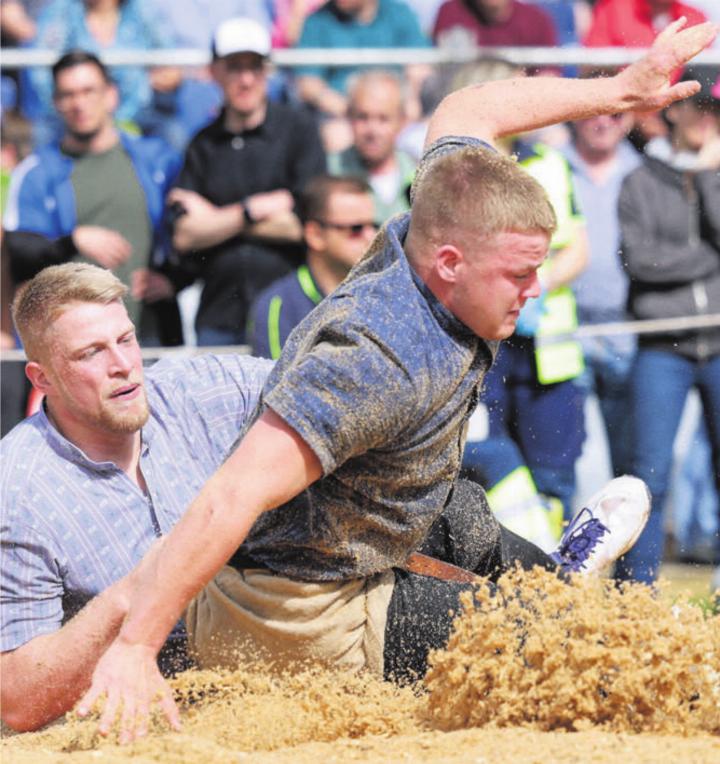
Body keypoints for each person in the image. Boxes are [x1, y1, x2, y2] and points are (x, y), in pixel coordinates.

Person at [75, 19, 715, 741]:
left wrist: (619, 91)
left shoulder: (440, 206)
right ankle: (564, 622)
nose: (536, 288)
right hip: (304, 610)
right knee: (560, 653)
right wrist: (133, 646)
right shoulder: (376, 360)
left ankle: (561, 584)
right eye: (519, 273)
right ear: (448, 263)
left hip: (352, 528)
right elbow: (231, 496)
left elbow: (470, 110)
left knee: (464, 510)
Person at [0, 263, 272, 733]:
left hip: (272, 670)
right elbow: (18, 699)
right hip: (141, 724)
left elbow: (322, 388)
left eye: (125, 340)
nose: (123, 364)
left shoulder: (198, 390)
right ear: (41, 379)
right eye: (91, 353)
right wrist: (137, 589)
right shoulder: (17, 491)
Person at [614, 65, 720, 585]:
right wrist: (705, 257)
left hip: (718, 343)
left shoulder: (716, 172)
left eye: (719, 111)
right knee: (648, 473)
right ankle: (637, 593)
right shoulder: (637, 180)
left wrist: (708, 176)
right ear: (675, 108)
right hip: (662, 344)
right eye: (704, 107)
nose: (711, 120)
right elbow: (640, 262)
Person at [3, 50, 186, 347]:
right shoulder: (36, 173)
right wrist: (71, 241)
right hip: (76, 343)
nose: (79, 103)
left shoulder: (158, 161)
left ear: (111, 95)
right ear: (55, 103)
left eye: (89, 91)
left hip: (152, 334)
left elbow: (191, 230)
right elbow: (17, 252)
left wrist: (175, 279)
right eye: (68, 94)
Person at [168, 16, 326, 347]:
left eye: (254, 67)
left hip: (293, 311)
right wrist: (252, 210)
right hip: (219, 314)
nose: (246, 79)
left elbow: (308, 226)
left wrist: (216, 219)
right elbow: (183, 234)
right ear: (214, 72)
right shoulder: (202, 144)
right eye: (234, 67)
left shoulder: (299, 131)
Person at [560, 104, 641, 480]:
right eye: (595, 111)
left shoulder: (642, 169)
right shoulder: (553, 165)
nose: (603, 122)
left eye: (616, 114)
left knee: (629, 456)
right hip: (564, 330)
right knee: (572, 455)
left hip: (626, 330)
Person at [24, 0, 185, 149]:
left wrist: (162, 77)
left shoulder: (143, 10)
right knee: (42, 134)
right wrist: (69, 102)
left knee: (173, 134)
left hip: (139, 113)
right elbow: (41, 73)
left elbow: (169, 61)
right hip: (74, 115)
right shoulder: (61, 12)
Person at [250, 174, 376, 358]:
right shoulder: (278, 305)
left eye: (373, 225)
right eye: (356, 229)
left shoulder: (386, 294)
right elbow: (278, 384)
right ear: (315, 235)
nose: (371, 236)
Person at [294, 0, 430, 148]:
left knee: (423, 139)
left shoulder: (399, 13)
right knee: (336, 137)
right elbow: (308, 84)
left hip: (398, 115)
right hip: (345, 119)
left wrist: (409, 101)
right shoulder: (317, 21)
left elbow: (418, 66)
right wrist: (356, 113)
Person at [328, 71, 416, 226]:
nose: (372, 130)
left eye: (383, 119)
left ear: (402, 121)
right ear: (348, 116)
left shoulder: (420, 175)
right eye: (363, 117)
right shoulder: (329, 173)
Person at [432, 0, 558, 51]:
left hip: (520, 101)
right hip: (465, 98)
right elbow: (446, 73)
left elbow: (548, 74)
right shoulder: (450, 13)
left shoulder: (537, 19)